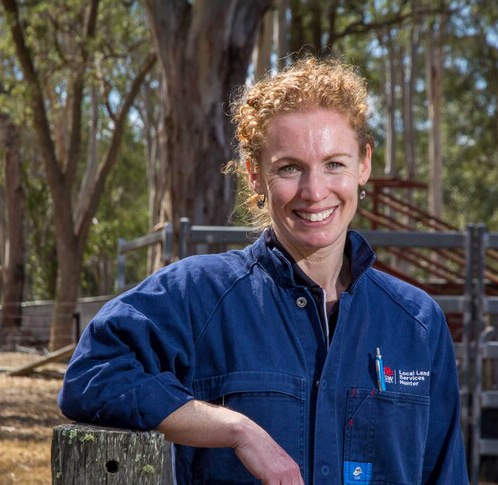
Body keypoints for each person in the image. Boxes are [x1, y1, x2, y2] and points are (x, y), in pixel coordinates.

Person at [59, 57, 468, 484]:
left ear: (363, 164)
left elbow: (445, 472)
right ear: (255, 175)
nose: (314, 192)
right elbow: (92, 375)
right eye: (290, 168)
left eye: (334, 164)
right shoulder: (199, 295)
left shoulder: (418, 323)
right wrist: (236, 430)